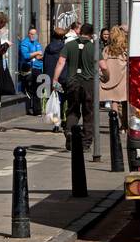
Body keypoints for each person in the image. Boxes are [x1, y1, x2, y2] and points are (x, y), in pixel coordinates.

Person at [54, 22, 96, 152]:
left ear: (79, 32)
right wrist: (107, 75)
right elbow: (103, 66)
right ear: (91, 34)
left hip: (72, 82)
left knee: (73, 110)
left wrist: (55, 79)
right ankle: (85, 144)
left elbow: (61, 62)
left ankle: (70, 135)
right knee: (88, 113)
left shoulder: (69, 45)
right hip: (88, 83)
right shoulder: (93, 47)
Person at [100, 24, 128, 132]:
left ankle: (115, 124)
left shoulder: (107, 49)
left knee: (114, 102)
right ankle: (125, 125)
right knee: (125, 102)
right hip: (123, 79)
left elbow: (102, 63)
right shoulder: (125, 49)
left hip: (111, 79)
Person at [41, 25, 67, 132]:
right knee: (62, 100)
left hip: (49, 77)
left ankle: (56, 122)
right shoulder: (64, 48)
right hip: (61, 78)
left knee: (54, 100)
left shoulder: (48, 47)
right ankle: (62, 121)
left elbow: (45, 63)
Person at [18, 25, 44, 116]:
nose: (34, 35)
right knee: (30, 89)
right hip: (28, 69)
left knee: (37, 89)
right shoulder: (24, 43)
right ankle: (31, 109)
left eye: (35, 34)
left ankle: (37, 110)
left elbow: (40, 56)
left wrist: (37, 55)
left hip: (37, 68)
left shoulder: (37, 43)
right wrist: (36, 54)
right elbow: (26, 56)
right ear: (28, 34)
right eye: (32, 34)